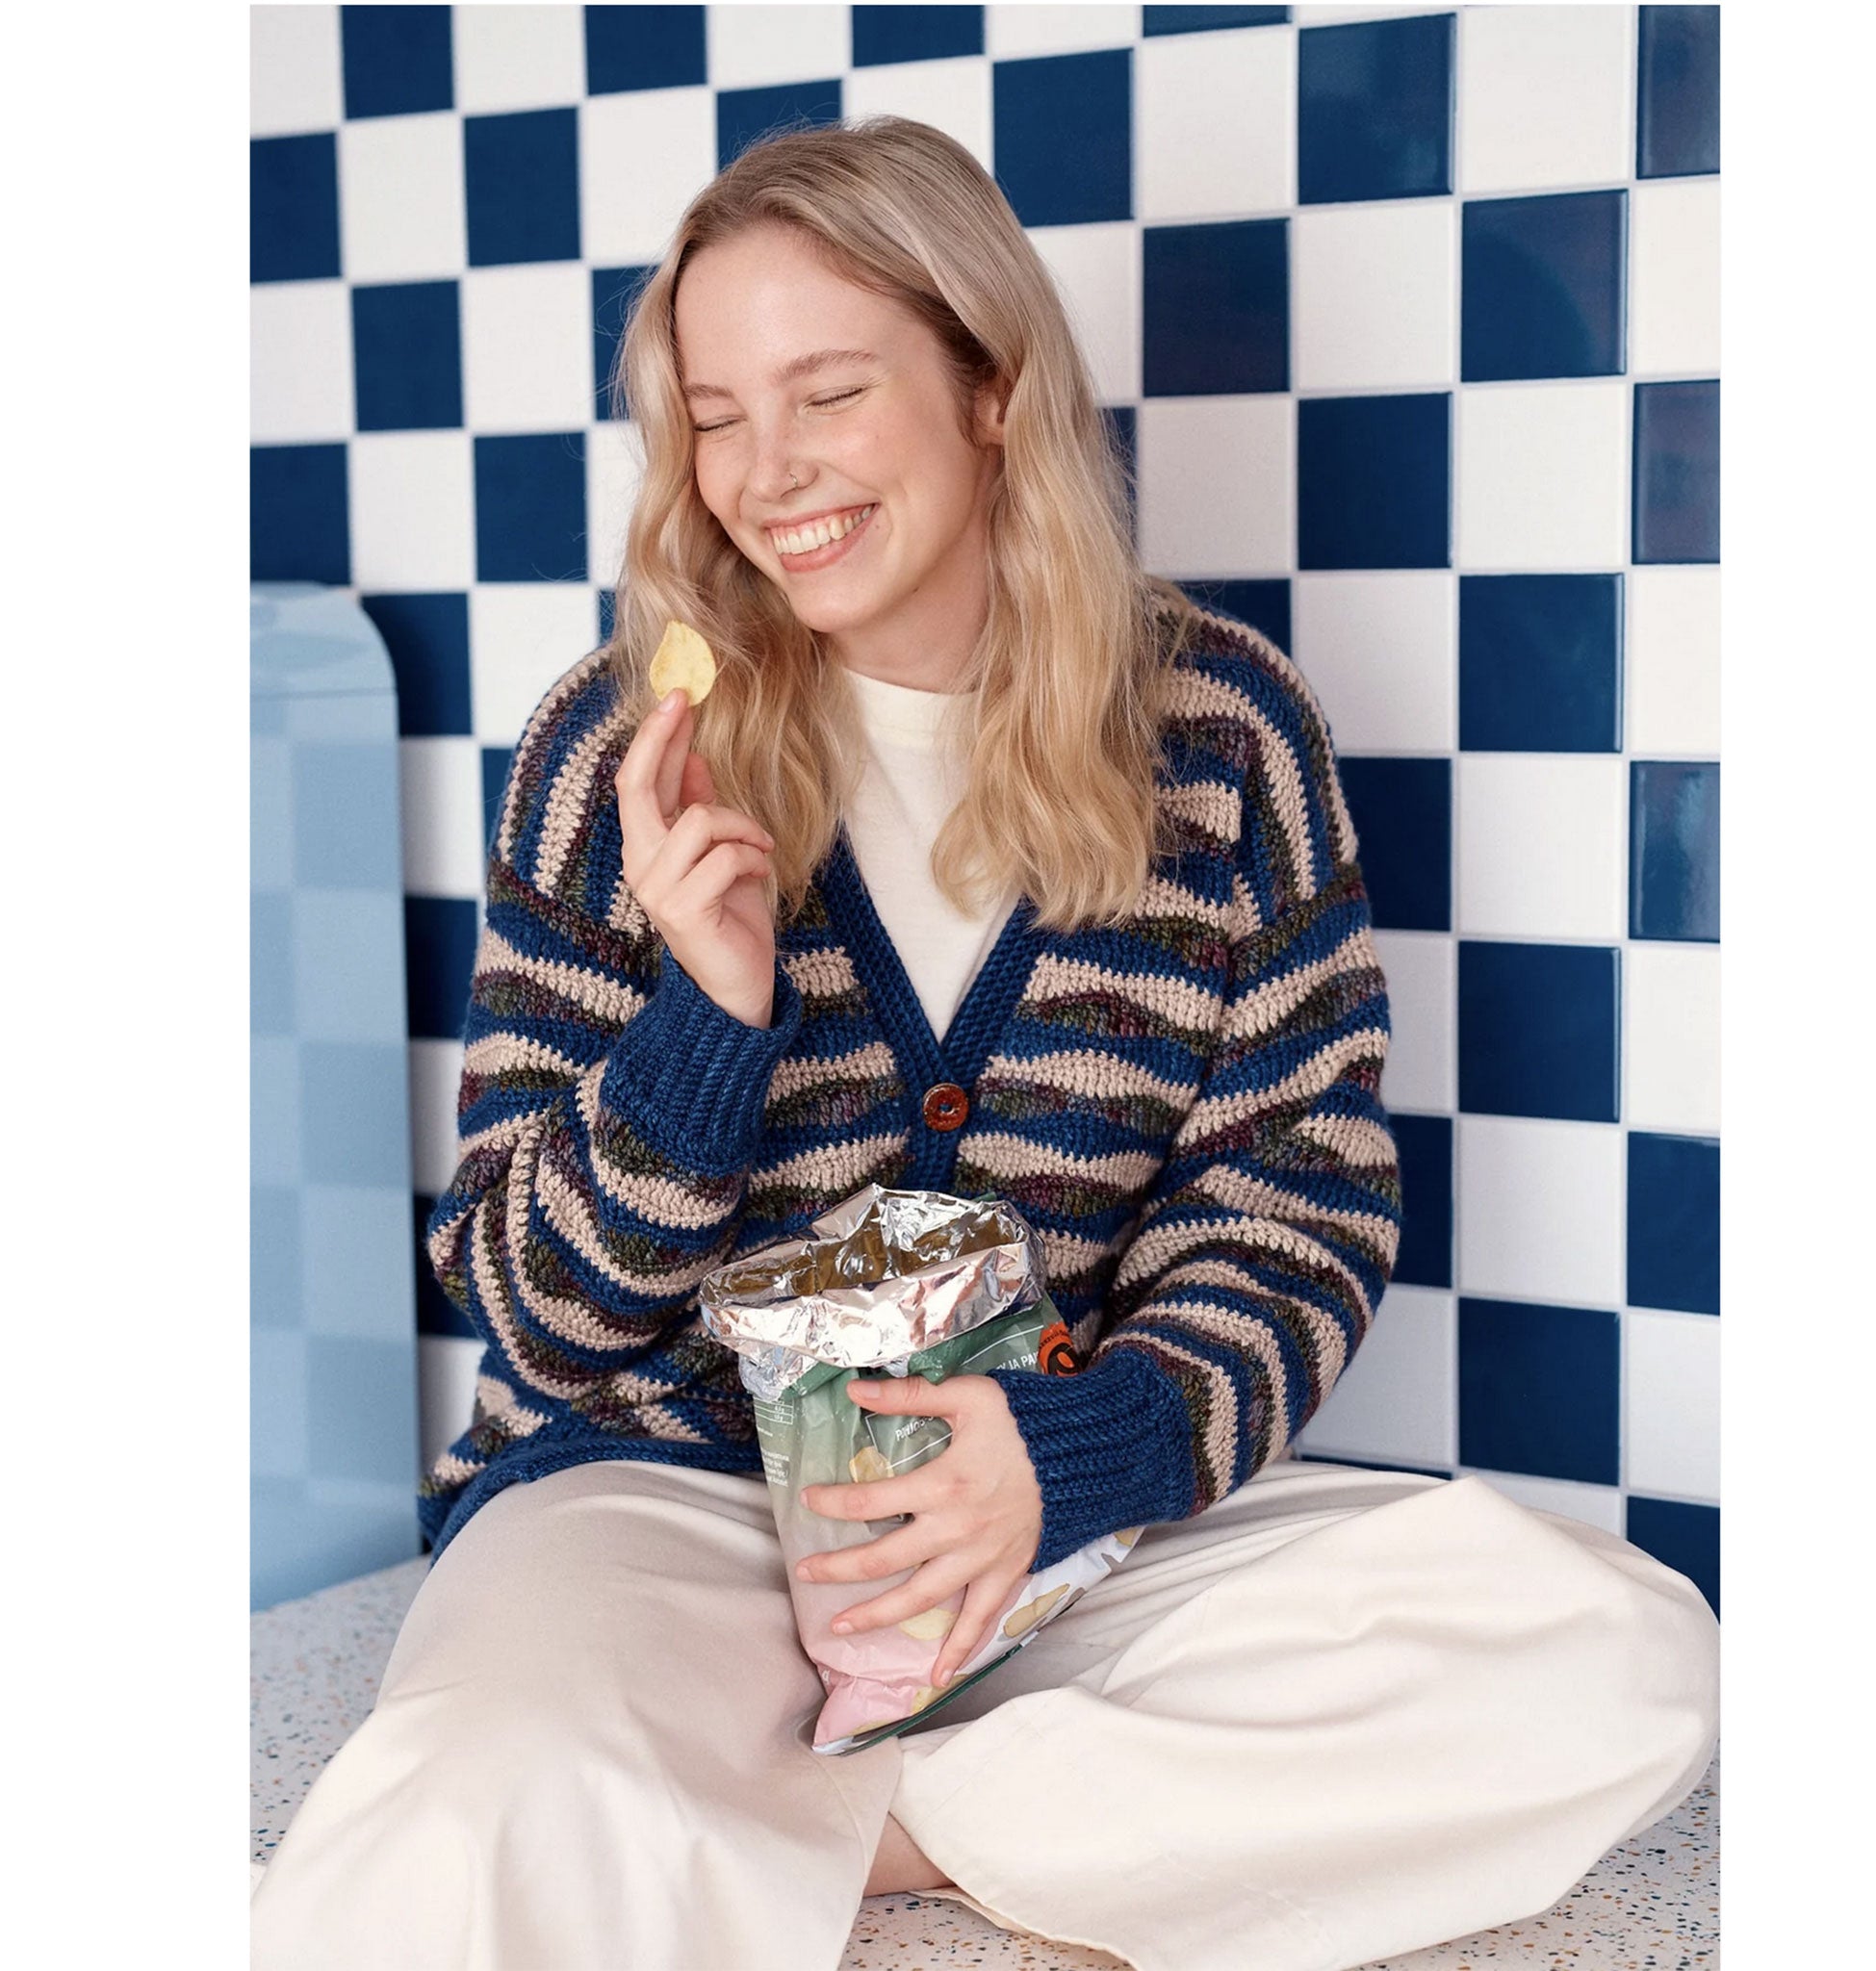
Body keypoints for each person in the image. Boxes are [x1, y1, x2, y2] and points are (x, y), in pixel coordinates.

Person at [251, 116, 1719, 1971]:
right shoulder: (622, 756)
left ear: (993, 389)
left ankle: (840, 1830)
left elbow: (1297, 1217)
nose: (762, 473)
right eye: (714, 413)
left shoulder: (1221, 736)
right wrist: (705, 1022)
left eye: (829, 393)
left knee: (1624, 1655)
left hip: (1053, 1534)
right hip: (664, 1510)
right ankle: (841, 1793)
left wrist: (1066, 1456)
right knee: (465, 1791)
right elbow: (527, 1310)